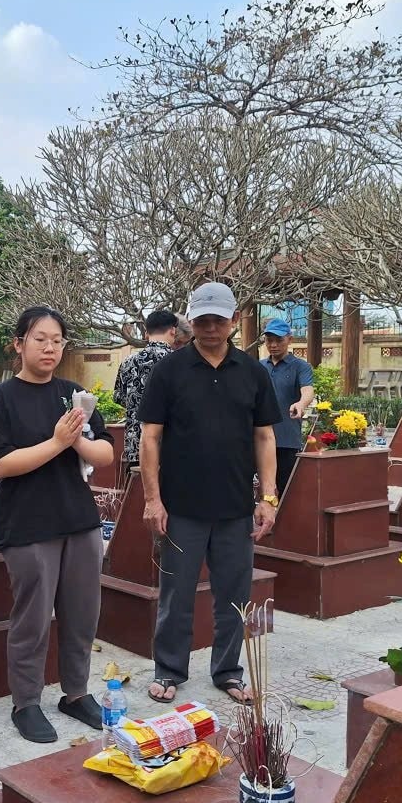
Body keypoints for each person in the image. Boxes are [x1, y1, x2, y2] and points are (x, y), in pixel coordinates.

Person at [138, 282, 281, 707]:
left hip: (236, 508)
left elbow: (265, 437)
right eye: (202, 320)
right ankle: (168, 670)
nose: (211, 327)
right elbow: (150, 438)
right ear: (190, 321)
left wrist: (268, 498)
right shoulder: (170, 370)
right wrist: (152, 499)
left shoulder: (252, 372)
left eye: (219, 319)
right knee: (175, 595)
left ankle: (228, 671)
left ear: (235, 321)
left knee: (234, 596)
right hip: (181, 508)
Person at [0, 306, 115, 743]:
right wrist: (57, 442)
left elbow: (105, 454)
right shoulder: (2, 399)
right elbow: (0, 464)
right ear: (19, 344)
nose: (50, 347)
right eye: (40, 338)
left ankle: (75, 693)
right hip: (26, 524)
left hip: (79, 520)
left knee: (82, 613)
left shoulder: (73, 395)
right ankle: (27, 701)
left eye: (57, 339)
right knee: (33, 619)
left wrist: (77, 441)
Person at [113, 310, 178, 479]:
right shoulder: (178, 362)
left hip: (135, 446)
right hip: (170, 448)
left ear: (146, 332)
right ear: (173, 330)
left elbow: (119, 398)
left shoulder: (128, 362)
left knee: (135, 500)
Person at [259, 318, 315, 497]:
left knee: (286, 491)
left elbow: (307, 390)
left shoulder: (301, 367)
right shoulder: (259, 367)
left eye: (279, 340)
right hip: (259, 437)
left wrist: (301, 403)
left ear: (290, 340)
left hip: (286, 438)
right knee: (259, 489)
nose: (273, 345)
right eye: (269, 340)